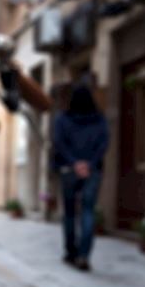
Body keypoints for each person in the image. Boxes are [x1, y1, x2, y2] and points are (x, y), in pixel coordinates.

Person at [53, 85, 109, 271]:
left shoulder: (62, 119)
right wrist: (90, 164)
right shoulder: (100, 120)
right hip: (92, 171)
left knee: (69, 212)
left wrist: (74, 163)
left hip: (69, 170)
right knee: (87, 210)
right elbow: (104, 143)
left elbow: (59, 142)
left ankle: (70, 252)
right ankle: (84, 255)